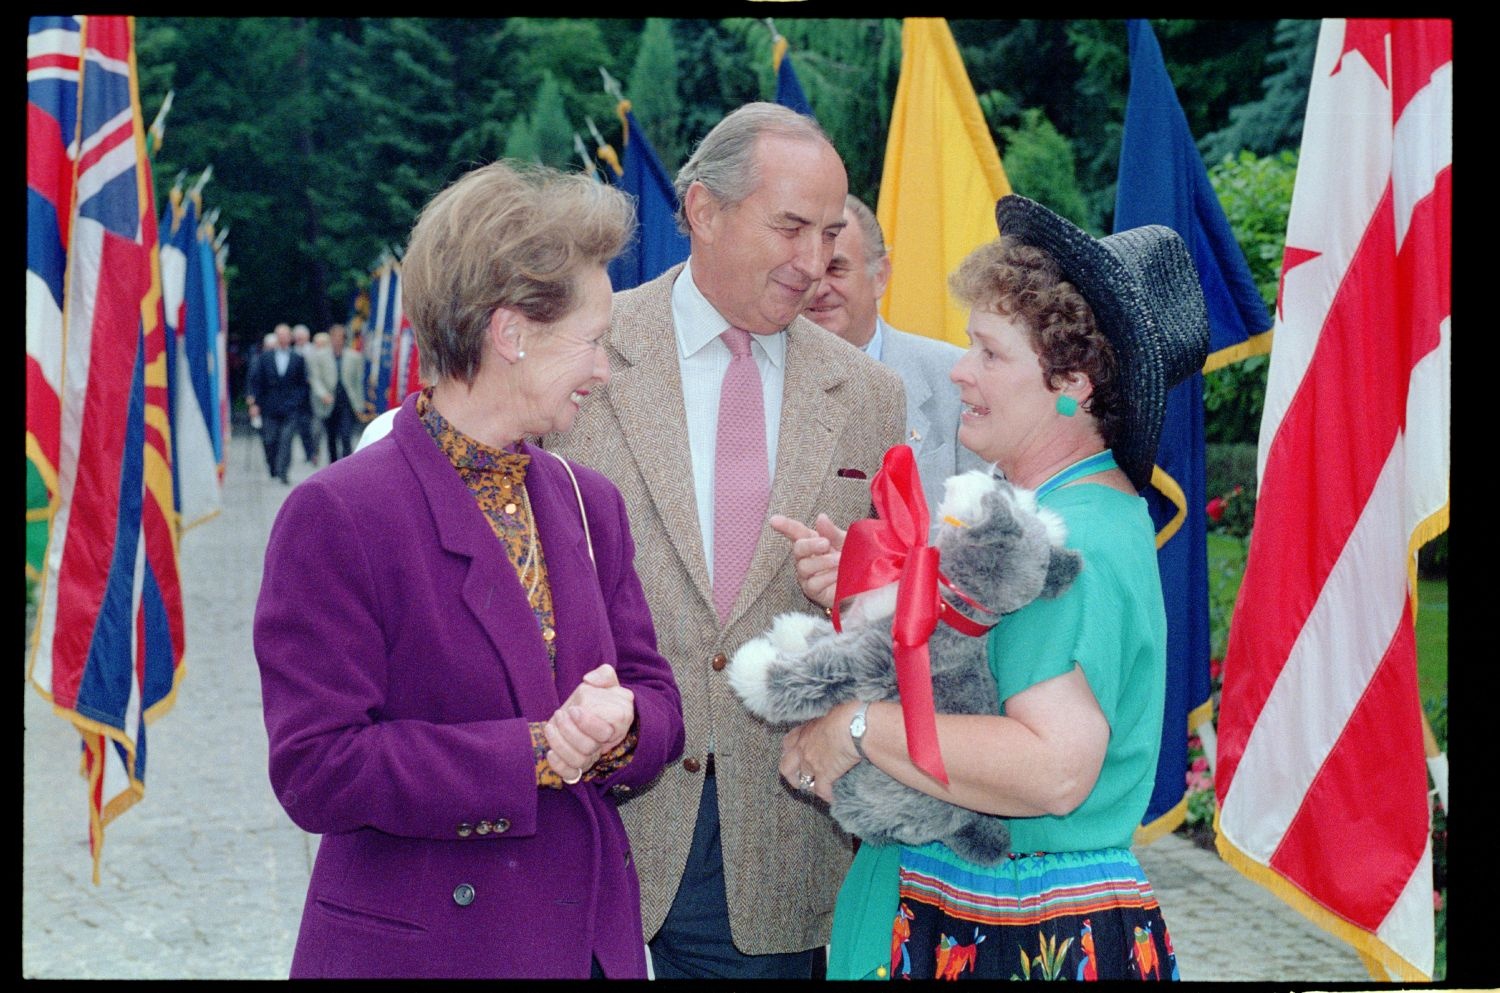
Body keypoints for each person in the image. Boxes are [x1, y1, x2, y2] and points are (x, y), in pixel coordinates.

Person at [253, 160, 685, 979]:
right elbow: (316, 768)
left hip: (586, 941)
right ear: (511, 332)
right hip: (434, 951)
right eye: (593, 342)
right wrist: (528, 756)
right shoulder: (339, 514)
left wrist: (623, 722)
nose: (603, 370)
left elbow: (660, 700)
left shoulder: (590, 501)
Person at [775, 194, 1208, 980]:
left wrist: (858, 728)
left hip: (1003, 931)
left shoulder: (1060, 537)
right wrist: (885, 591)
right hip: (995, 911)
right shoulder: (1081, 512)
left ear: (1073, 382)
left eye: (989, 352)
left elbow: (1054, 767)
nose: (959, 370)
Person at [545, 102, 906, 979]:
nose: (814, 261)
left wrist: (856, 592)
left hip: (777, 846)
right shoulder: (580, 355)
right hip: (590, 821)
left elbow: (900, 624)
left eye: (828, 233)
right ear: (703, 210)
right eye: (789, 226)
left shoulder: (869, 395)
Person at [802, 195, 988, 520]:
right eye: (808, 271)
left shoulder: (956, 381)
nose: (819, 289)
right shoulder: (760, 381)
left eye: (835, 269)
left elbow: (987, 530)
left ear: (880, 276)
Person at [246, 322, 308, 484]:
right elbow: (257, 382)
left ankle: (283, 471)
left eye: (286, 336)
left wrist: (297, 401)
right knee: (270, 440)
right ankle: (273, 466)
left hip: (290, 407)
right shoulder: (265, 358)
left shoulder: (298, 359)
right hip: (269, 407)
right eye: (280, 336)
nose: (283, 339)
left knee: (286, 440)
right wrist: (254, 403)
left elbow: (302, 384)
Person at [308, 323, 365, 462]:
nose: (337, 340)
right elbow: (315, 379)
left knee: (346, 435)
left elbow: (358, 382)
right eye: (334, 337)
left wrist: (359, 405)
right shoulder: (319, 356)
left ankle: (347, 466)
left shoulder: (354, 357)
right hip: (328, 402)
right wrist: (323, 394)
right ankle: (333, 465)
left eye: (340, 337)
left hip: (346, 401)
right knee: (331, 437)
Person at [292, 323, 321, 465]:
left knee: (315, 427)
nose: (299, 340)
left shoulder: (314, 351)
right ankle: (309, 452)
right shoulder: (292, 353)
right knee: (303, 426)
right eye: (297, 338)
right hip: (300, 396)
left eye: (302, 338)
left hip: (315, 395)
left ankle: (315, 451)